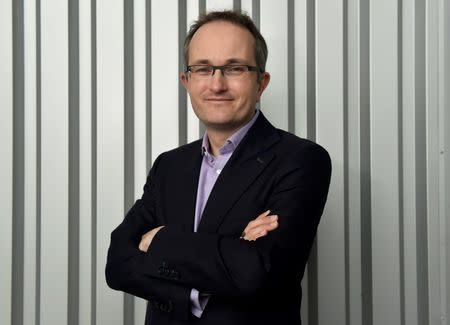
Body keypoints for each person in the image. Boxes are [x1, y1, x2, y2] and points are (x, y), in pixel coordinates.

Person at [106, 10, 331, 325]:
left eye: (234, 68)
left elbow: (258, 272)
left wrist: (159, 239)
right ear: (187, 81)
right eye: (202, 68)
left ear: (261, 82)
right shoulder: (169, 166)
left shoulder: (301, 160)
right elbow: (118, 264)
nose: (217, 84)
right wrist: (227, 257)